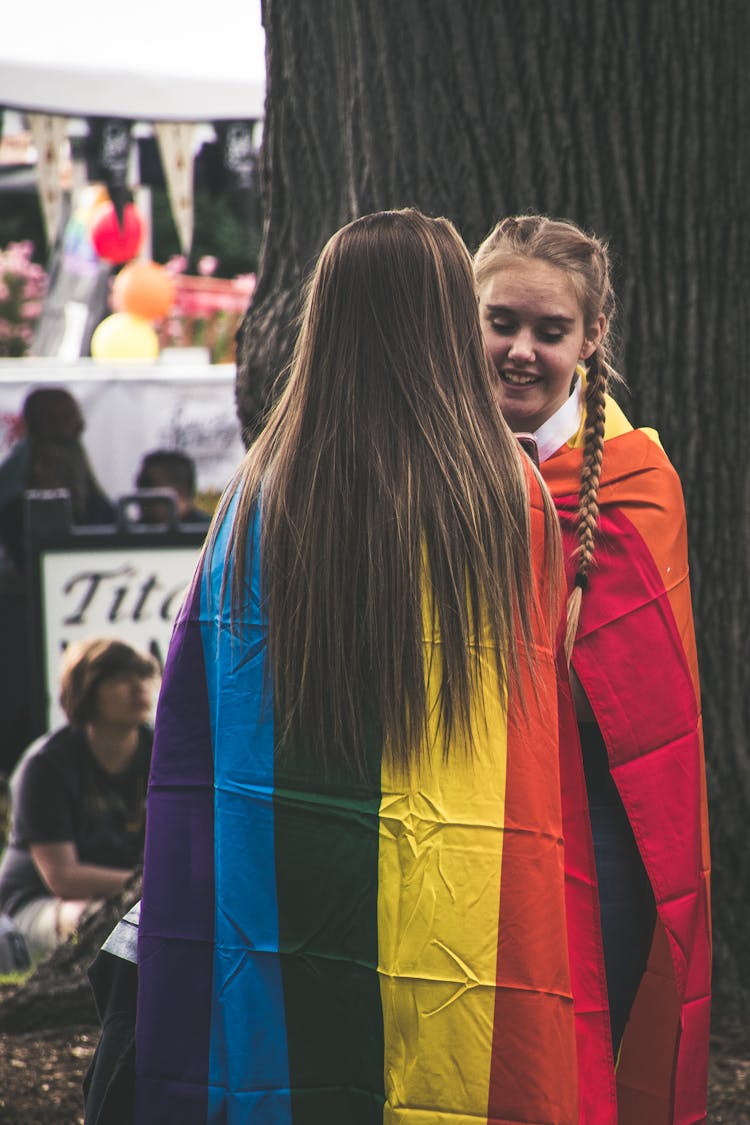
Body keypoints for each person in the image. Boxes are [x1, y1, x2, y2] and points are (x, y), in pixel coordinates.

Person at [128, 208, 590, 1124]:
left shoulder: (258, 501)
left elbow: (200, 718)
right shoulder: (510, 498)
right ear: (450, 324)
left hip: (285, 891)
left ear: (324, 321)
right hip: (456, 901)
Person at [475, 214, 711, 1123]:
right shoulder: (423, 464)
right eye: (501, 322)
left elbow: (632, 690)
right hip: (450, 805)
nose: (521, 350)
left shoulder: (638, 478)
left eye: (549, 330)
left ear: (593, 335)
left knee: (577, 1061)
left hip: (593, 822)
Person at [0, 637, 158, 965]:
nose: (137, 687)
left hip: (135, 897)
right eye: (119, 678)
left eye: (141, 676)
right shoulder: (46, 765)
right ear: (86, 691)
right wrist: (152, 884)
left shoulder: (163, 754)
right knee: (99, 924)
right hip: (40, 904)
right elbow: (64, 877)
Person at [133, 449, 210, 526]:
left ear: (181, 491)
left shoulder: (209, 532)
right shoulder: (132, 532)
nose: (143, 496)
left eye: (148, 486)